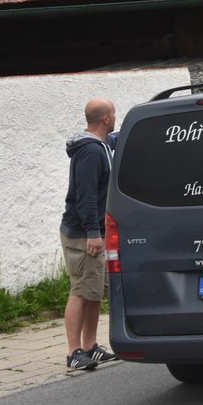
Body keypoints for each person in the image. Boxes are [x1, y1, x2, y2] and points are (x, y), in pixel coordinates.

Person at [60, 98, 120, 371]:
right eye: (115, 114)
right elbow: (85, 197)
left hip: (94, 232)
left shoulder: (100, 146)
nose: (116, 118)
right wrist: (94, 233)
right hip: (83, 234)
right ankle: (74, 352)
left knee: (94, 291)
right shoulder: (91, 153)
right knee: (81, 291)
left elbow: (114, 140)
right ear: (105, 119)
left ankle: (91, 346)